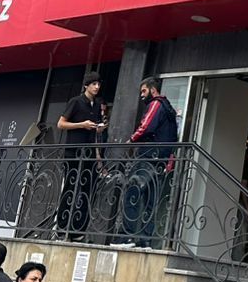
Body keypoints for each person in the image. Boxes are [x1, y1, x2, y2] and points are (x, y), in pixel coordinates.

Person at [118, 77, 180, 248]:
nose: (142, 95)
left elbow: (146, 126)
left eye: (144, 91)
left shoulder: (156, 104)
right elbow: (174, 137)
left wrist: (131, 140)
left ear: (153, 90)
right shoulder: (169, 110)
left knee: (133, 193)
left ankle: (126, 237)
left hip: (148, 156)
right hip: (161, 160)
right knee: (150, 201)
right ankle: (145, 240)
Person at [56, 73, 106, 239]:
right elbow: (61, 124)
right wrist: (81, 125)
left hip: (89, 152)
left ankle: (78, 230)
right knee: (70, 188)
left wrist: (98, 129)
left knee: (87, 189)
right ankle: (62, 227)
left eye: (98, 84)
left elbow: (95, 132)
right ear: (86, 85)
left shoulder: (97, 105)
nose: (96, 87)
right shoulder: (76, 102)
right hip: (74, 151)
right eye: (93, 84)